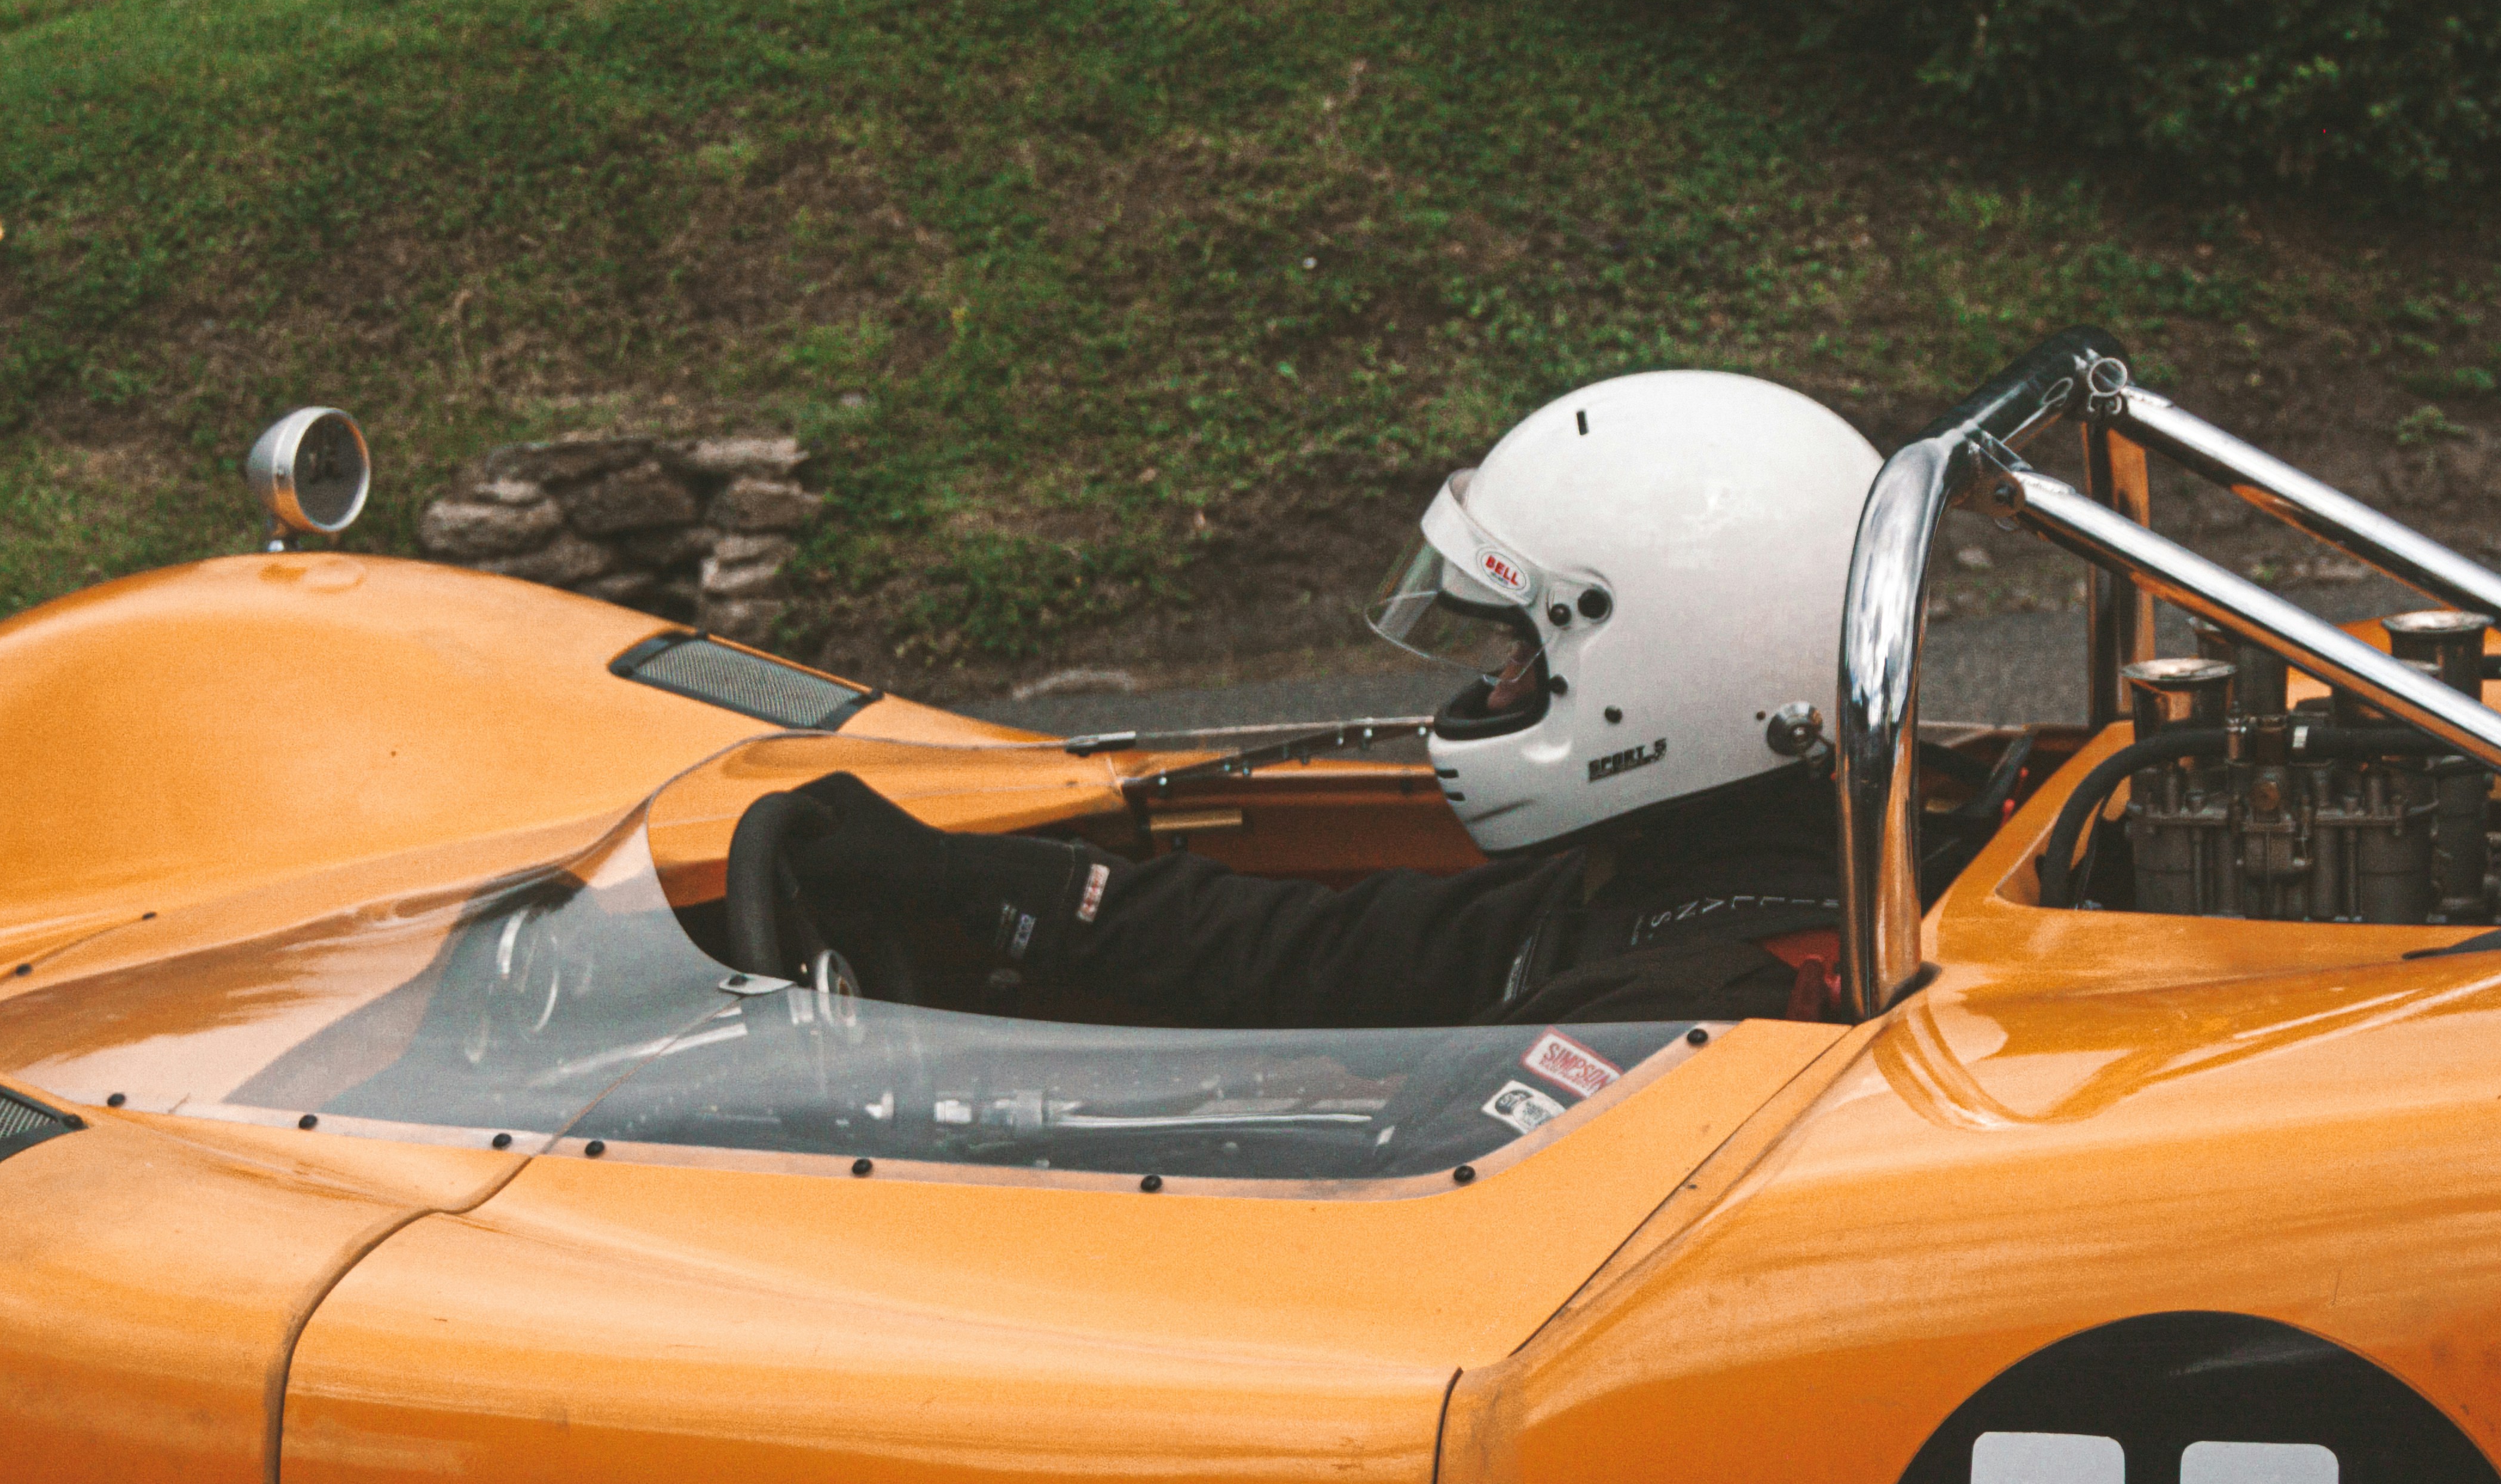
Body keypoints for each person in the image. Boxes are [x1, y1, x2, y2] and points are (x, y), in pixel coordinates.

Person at [765, 369, 1885, 1028]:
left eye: (1518, 657)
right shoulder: (1726, 882)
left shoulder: (1664, 1020)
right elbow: (1321, 949)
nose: (1489, 692)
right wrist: (976, 880)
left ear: (1661, 669)